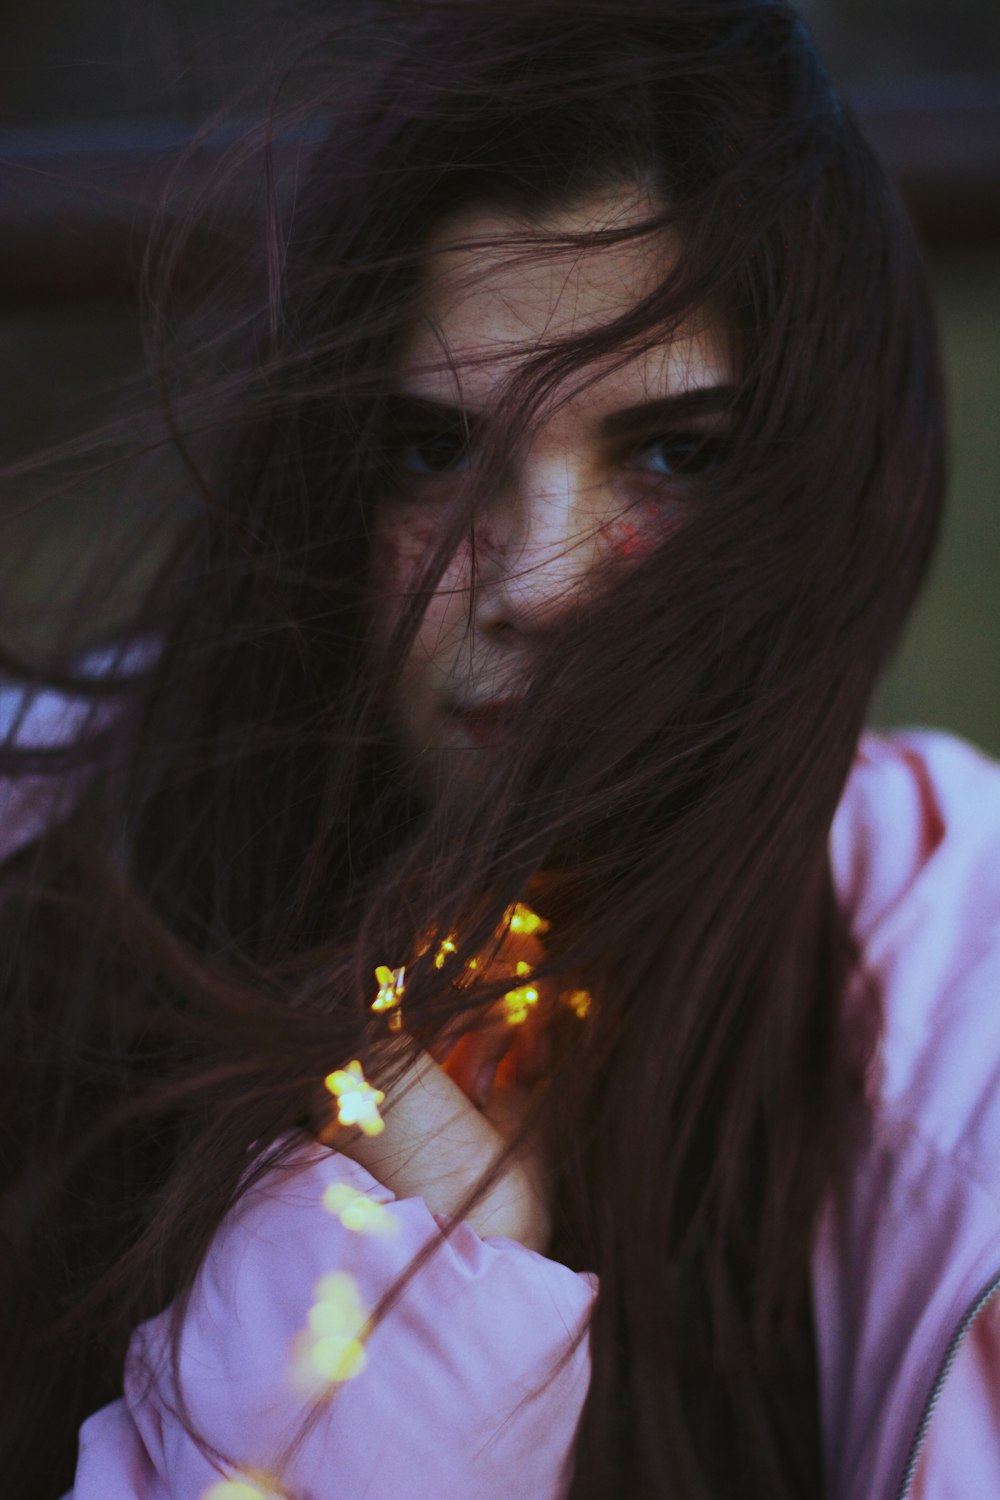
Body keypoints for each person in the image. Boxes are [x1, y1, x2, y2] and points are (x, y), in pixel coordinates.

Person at [2, 1, 999, 1496]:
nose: (531, 581)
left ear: (821, 490)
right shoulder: (48, 887)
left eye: (671, 452)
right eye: (429, 448)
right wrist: (396, 1294)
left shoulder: (961, 989)